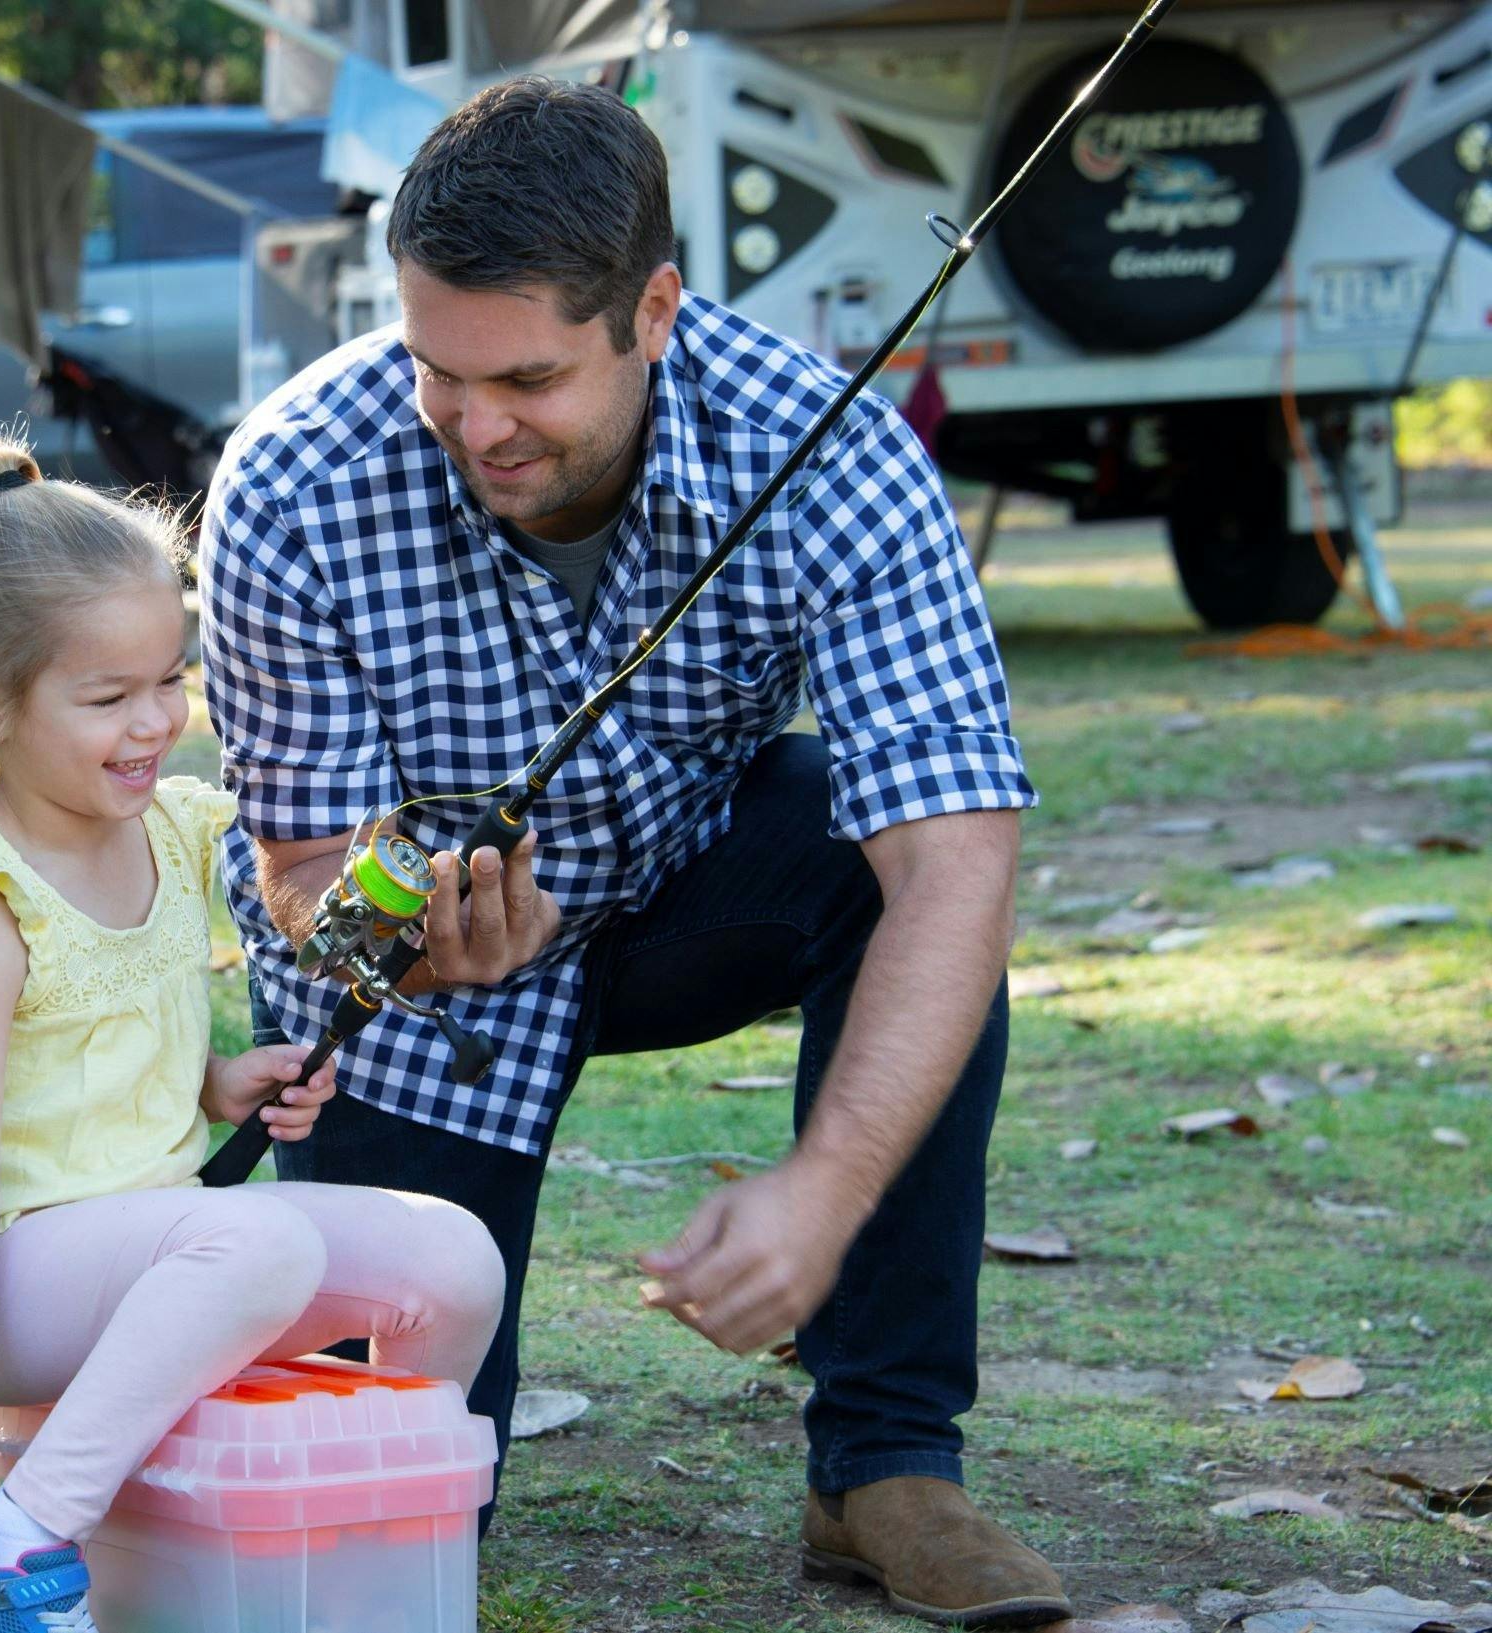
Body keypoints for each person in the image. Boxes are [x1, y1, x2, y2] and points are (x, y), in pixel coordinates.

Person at [201, 79, 1065, 1627]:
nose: (474, 423)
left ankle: (886, 1463)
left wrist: (824, 1186)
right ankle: (394, 1438)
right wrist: (383, 930)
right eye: (434, 369)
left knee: (882, 861)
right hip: (409, 1000)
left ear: (653, 307)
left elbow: (957, 859)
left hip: (679, 893)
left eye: (527, 376)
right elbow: (301, 862)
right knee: (402, 1512)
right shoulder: (290, 478)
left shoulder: (834, 454)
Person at [0, 437, 506, 1631]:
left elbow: (87, 1060)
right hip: (8, 1280)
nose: (156, 722)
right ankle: (11, 1536)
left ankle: (357, 1533)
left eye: (171, 678)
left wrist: (214, 1083)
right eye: (108, 698)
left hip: (154, 1251)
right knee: (253, 1248)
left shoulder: (169, 831)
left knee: (454, 1260)